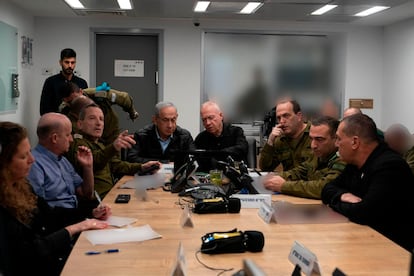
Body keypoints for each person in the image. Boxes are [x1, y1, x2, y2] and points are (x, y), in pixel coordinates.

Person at [0, 121, 110, 275]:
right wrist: (74, 228)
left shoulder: (21, 186)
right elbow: (27, 254)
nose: (31, 159)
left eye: (29, 152)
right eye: (24, 156)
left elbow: (50, 216)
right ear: (3, 164)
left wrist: (90, 214)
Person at [321, 114, 414, 252]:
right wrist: (342, 195)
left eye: (339, 139)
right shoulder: (354, 163)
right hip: (363, 238)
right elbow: (326, 189)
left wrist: (333, 202)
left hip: (391, 249)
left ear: (355, 142)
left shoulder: (390, 166)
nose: (336, 144)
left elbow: (364, 213)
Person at [67, 103, 161, 198]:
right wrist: (113, 147)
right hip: (97, 203)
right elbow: (92, 162)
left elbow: (116, 165)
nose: (98, 123)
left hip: (110, 194)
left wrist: (141, 167)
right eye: (92, 118)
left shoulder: (99, 144)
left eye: (101, 119)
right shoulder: (78, 143)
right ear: (80, 124)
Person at [263, 116, 345, 199]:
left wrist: (284, 186)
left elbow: (324, 188)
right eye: (311, 139)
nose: (313, 145)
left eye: (319, 139)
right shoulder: (319, 156)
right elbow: (299, 172)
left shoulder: (343, 159)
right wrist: (274, 179)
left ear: (336, 139)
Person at [27, 113, 95, 209]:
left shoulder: (63, 161)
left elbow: (86, 194)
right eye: (68, 135)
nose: (71, 139)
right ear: (55, 138)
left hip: (74, 213)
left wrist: (88, 167)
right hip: (57, 219)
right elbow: (38, 208)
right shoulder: (34, 163)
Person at [59, 82, 138, 145]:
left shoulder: (97, 93)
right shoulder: (65, 111)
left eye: (76, 98)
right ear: (64, 100)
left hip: (110, 134)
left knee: (114, 161)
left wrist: (132, 113)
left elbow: (125, 98)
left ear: (81, 91)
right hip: (89, 141)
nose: (75, 103)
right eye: (70, 102)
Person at [127, 101, 195, 163]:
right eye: (165, 120)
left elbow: (194, 158)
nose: (170, 125)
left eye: (173, 120)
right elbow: (131, 158)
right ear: (155, 120)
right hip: (148, 174)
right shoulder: (142, 135)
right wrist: (163, 162)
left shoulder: (184, 136)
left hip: (176, 175)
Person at [259, 98, 313, 172]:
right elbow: (265, 168)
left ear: (299, 116)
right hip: (288, 181)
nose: (281, 121)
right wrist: (270, 141)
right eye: (279, 118)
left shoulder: (315, 135)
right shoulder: (280, 140)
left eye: (286, 116)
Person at [40, 48, 88, 115]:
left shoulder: (82, 83)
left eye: (72, 62)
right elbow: (44, 110)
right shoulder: (50, 82)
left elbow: (86, 108)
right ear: (60, 62)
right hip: (56, 123)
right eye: (67, 62)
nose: (70, 66)